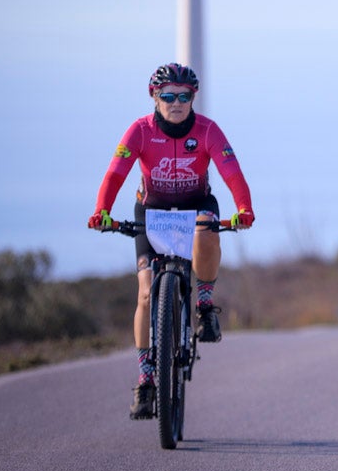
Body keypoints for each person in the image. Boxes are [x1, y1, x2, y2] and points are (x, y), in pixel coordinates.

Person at [88, 63, 255, 420]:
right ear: (155, 98)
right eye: (168, 96)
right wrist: (102, 209)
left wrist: (244, 208)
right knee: (146, 294)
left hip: (197, 205)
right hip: (151, 210)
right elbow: (116, 172)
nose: (177, 103)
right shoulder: (140, 131)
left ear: (193, 98)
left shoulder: (208, 130)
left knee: (206, 229)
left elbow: (231, 171)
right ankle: (146, 378)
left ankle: (205, 307)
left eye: (184, 96)